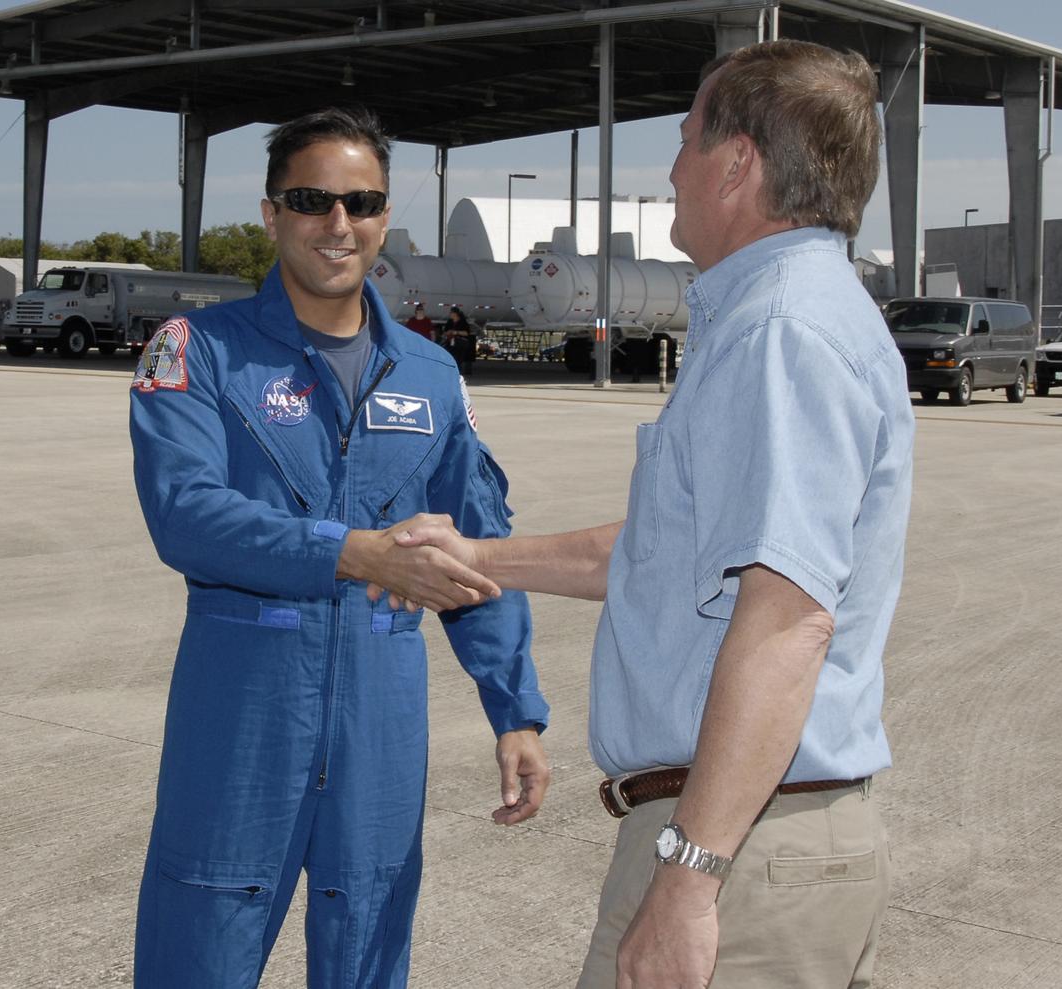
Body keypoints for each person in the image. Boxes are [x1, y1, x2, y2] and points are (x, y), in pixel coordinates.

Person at [382, 40, 914, 988]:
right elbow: (676, 555)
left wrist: (691, 876)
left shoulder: (782, 330)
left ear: (740, 162)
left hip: (739, 853)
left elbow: (787, 618)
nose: (669, 169)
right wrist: (479, 555)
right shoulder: (786, 316)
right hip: (760, 837)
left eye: (685, 140)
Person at [128, 105, 550, 989]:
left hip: (382, 726)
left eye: (361, 202)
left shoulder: (431, 376)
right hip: (241, 715)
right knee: (196, 950)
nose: (339, 224)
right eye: (313, 199)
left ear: (386, 215)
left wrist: (514, 709)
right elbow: (186, 512)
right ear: (272, 212)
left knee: (369, 949)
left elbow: (477, 550)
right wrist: (350, 550)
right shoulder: (197, 351)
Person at [442, 305, 475, 376]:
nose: (450, 314)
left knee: (458, 359)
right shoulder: (449, 322)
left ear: (455, 314)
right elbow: (445, 332)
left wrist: (456, 332)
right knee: (450, 357)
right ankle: (450, 372)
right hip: (450, 343)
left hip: (460, 344)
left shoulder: (463, 322)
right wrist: (448, 332)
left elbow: (466, 333)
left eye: (451, 313)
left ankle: (457, 374)